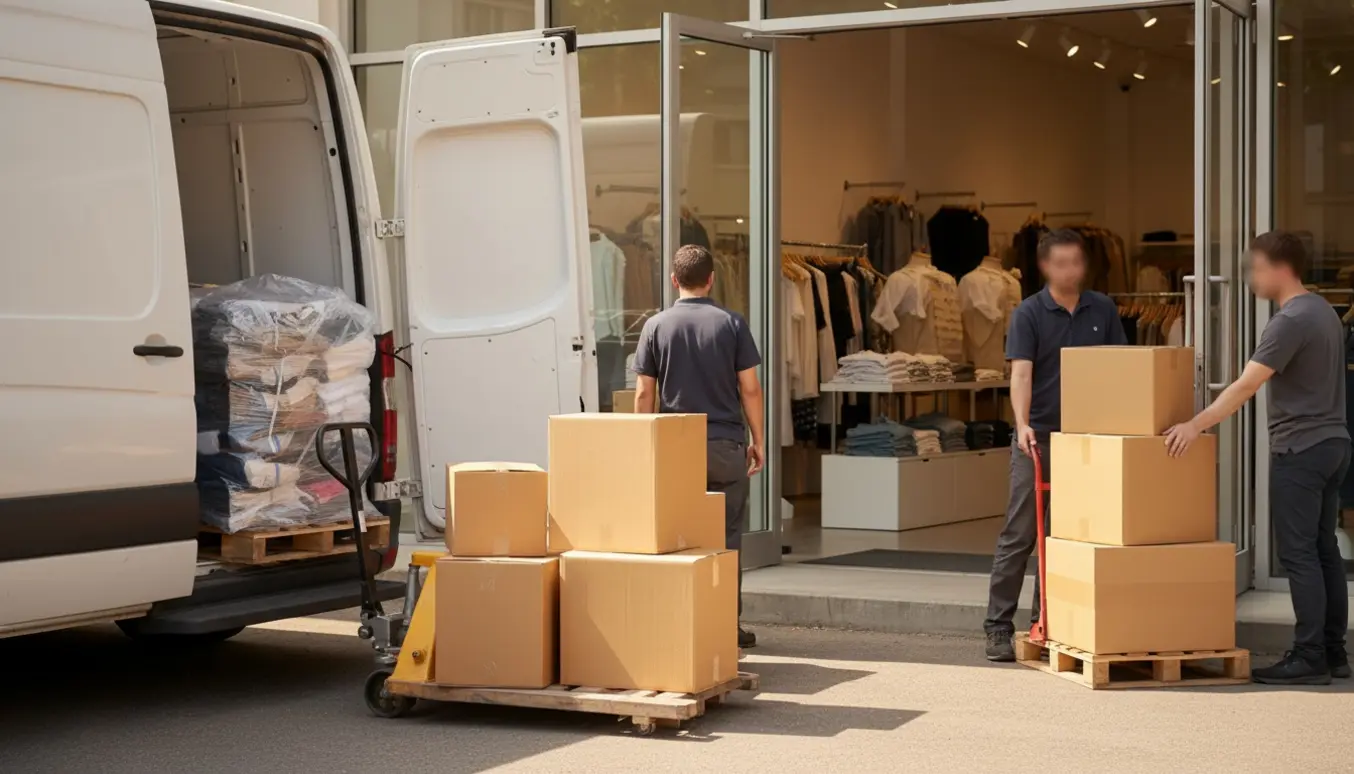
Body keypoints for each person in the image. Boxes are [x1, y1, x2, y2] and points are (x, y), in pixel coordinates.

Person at [1165, 231, 1351, 686]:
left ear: (1278, 267)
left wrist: (1196, 424)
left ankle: (1308, 656)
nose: (1249, 276)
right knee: (1324, 549)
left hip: (1300, 449)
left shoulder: (1289, 321)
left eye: (1254, 267)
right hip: (1333, 444)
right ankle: (1332, 652)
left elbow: (1246, 385)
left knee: (1300, 554)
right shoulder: (1324, 310)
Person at [984, 229, 1128, 662]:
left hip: (1085, 441)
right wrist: (1022, 425)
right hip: (1039, 438)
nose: (1070, 271)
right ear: (1045, 266)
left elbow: (1116, 368)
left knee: (1064, 536)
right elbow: (1021, 374)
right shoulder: (1029, 313)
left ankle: (1044, 621)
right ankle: (997, 625)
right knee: (1021, 533)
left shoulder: (1102, 308)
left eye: (1076, 263)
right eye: (1060, 263)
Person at [633, 244, 766, 650]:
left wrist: (644, 446)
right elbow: (750, 388)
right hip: (725, 444)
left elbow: (643, 394)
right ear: (711, 279)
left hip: (677, 447)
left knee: (677, 535)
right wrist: (758, 440)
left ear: (674, 280)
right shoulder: (732, 324)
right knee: (727, 539)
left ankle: (677, 622)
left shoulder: (655, 326)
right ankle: (725, 625)